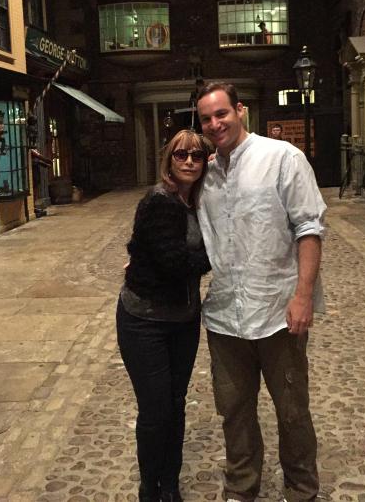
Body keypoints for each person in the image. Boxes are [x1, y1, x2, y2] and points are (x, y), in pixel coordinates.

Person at [196, 83, 326, 502]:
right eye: (206, 118)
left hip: (277, 312)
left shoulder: (282, 158)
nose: (215, 124)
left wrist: (303, 296)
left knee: (292, 411)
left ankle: (301, 489)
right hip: (225, 316)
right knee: (233, 411)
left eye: (221, 113)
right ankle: (241, 487)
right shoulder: (205, 174)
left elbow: (309, 228)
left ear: (240, 110)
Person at [116, 129, 211, 502]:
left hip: (183, 320)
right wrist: (219, 252)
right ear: (168, 160)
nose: (189, 161)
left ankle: (169, 483)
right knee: (155, 409)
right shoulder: (160, 201)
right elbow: (175, 263)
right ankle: (149, 487)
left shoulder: (196, 202)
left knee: (175, 403)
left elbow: (140, 245)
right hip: (145, 321)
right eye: (180, 155)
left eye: (196, 156)